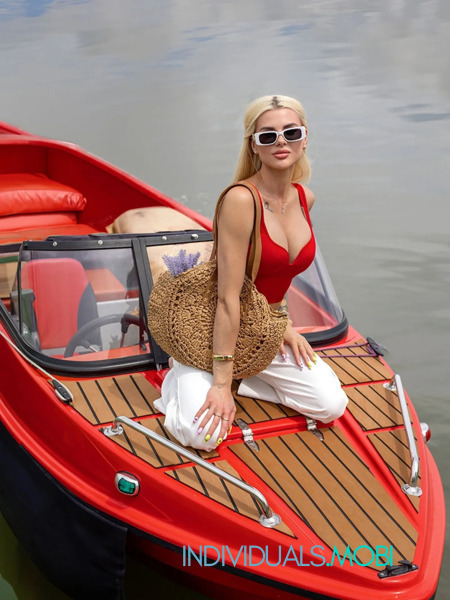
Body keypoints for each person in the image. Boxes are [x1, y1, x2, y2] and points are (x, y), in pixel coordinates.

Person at [154, 94, 348, 451]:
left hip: (263, 329)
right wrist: (220, 384)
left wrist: (283, 325)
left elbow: (280, 275)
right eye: (268, 136)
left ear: (305, 139)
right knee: (203, 436)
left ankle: (243, 379)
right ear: (254, 145)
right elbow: (227, 299)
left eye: (291, 132)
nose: (281, 142)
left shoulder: (305, 198)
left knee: (330, 405)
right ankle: (179, 377)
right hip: (212, 331)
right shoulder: (241, 200)